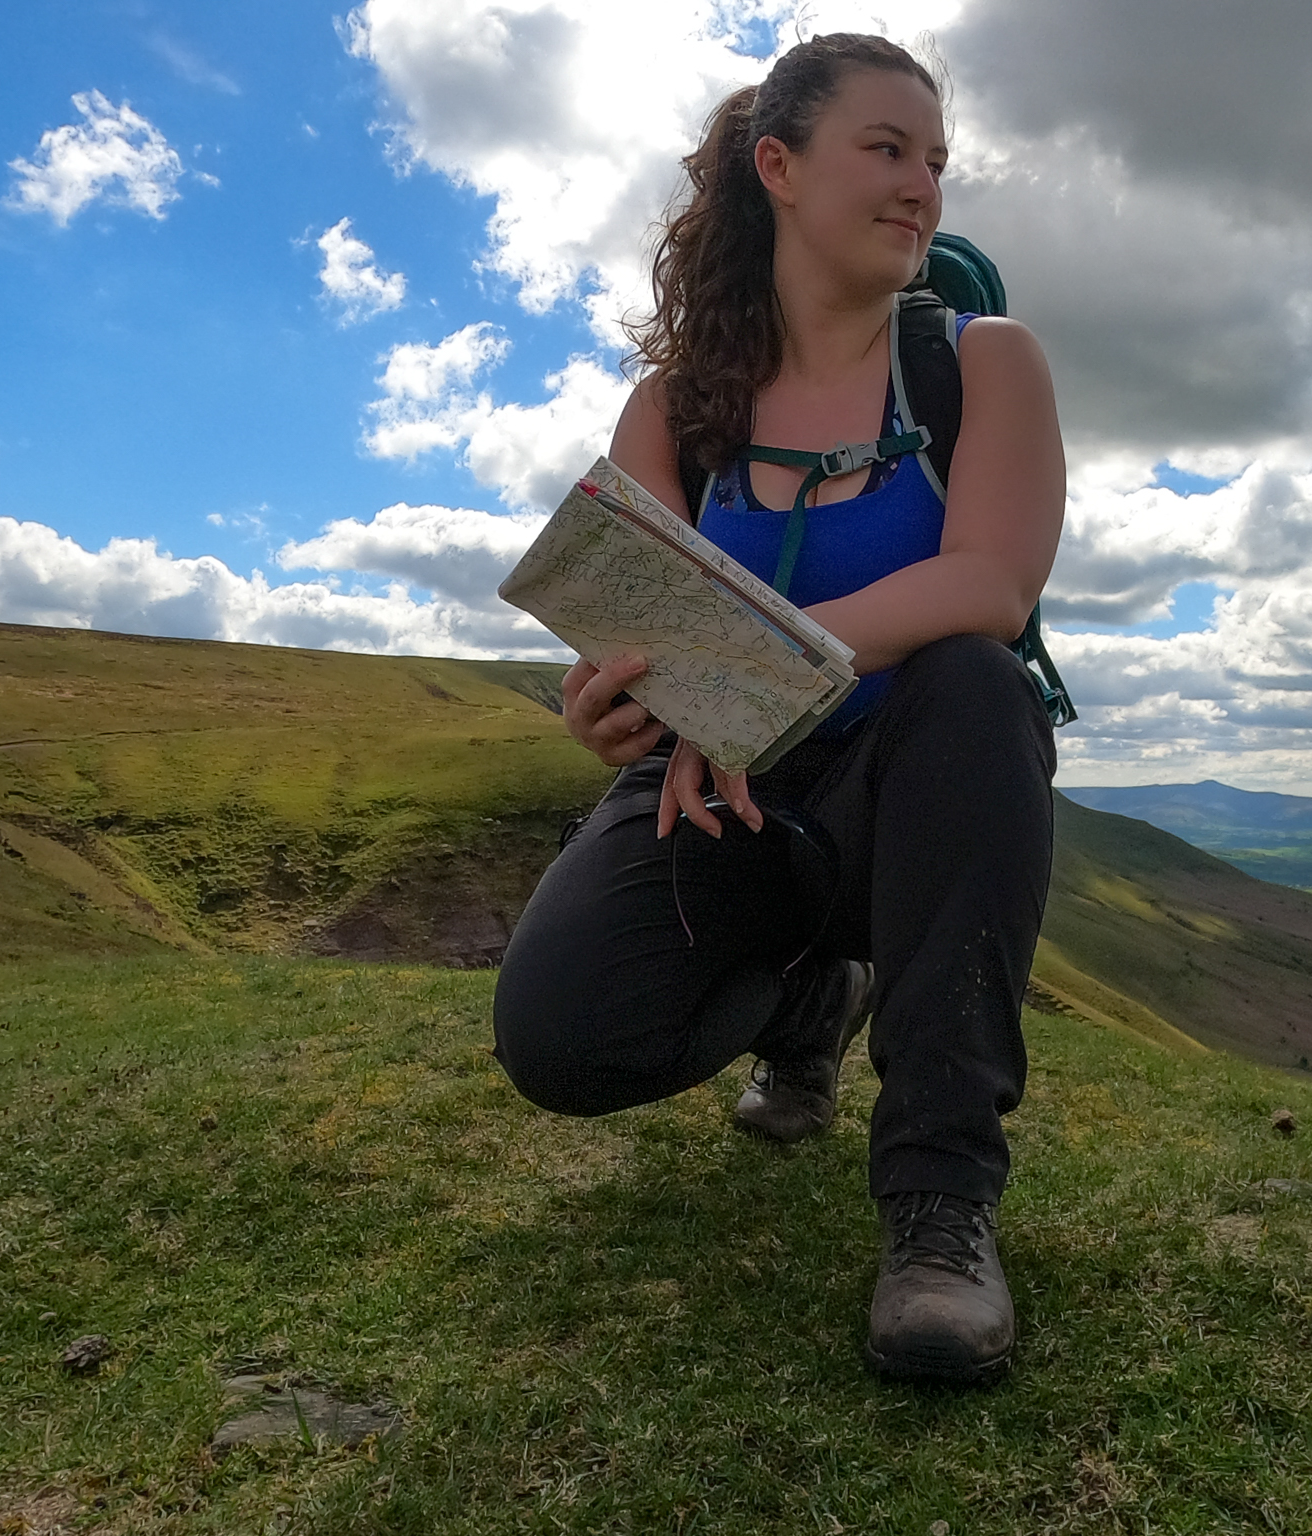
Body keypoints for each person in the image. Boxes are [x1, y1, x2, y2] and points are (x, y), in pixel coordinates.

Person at [491, 32, 1066, 1388]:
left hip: (910, 797)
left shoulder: (984, 365)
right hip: (723, 790)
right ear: (779, 167)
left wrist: (740, 678)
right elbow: (630, 630)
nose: (923, 183)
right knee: (561, 1039)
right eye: (886, 149)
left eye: (935, 159)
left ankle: (940, 1209)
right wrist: (610, 709)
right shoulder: (678, 409)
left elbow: (988, 583)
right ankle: (809, 1002)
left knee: (979, 691)